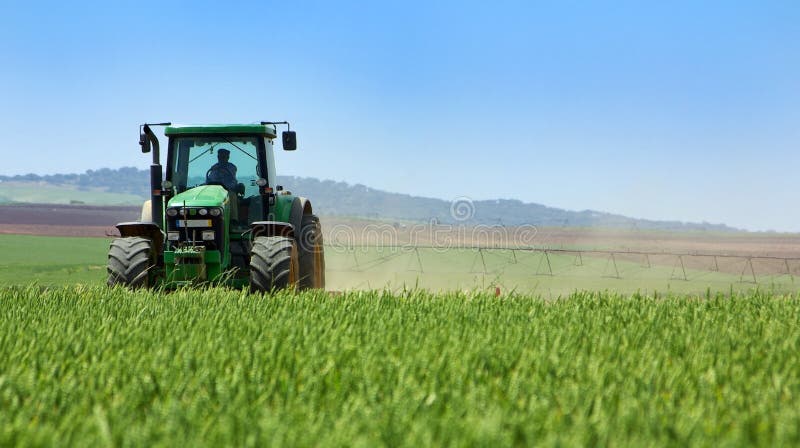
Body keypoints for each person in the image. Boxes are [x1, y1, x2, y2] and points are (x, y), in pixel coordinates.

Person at [206, 148, 241, 222]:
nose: (221, 159)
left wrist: (225, 185)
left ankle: (233, 220)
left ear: (228, 157)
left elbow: (232, 181)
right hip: (213, 190)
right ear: (218, 157)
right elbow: (210, 179)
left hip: (226, 190)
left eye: (224, 157)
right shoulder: (214, 167)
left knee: (231, 196)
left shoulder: (231, 167)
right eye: (220, 157)